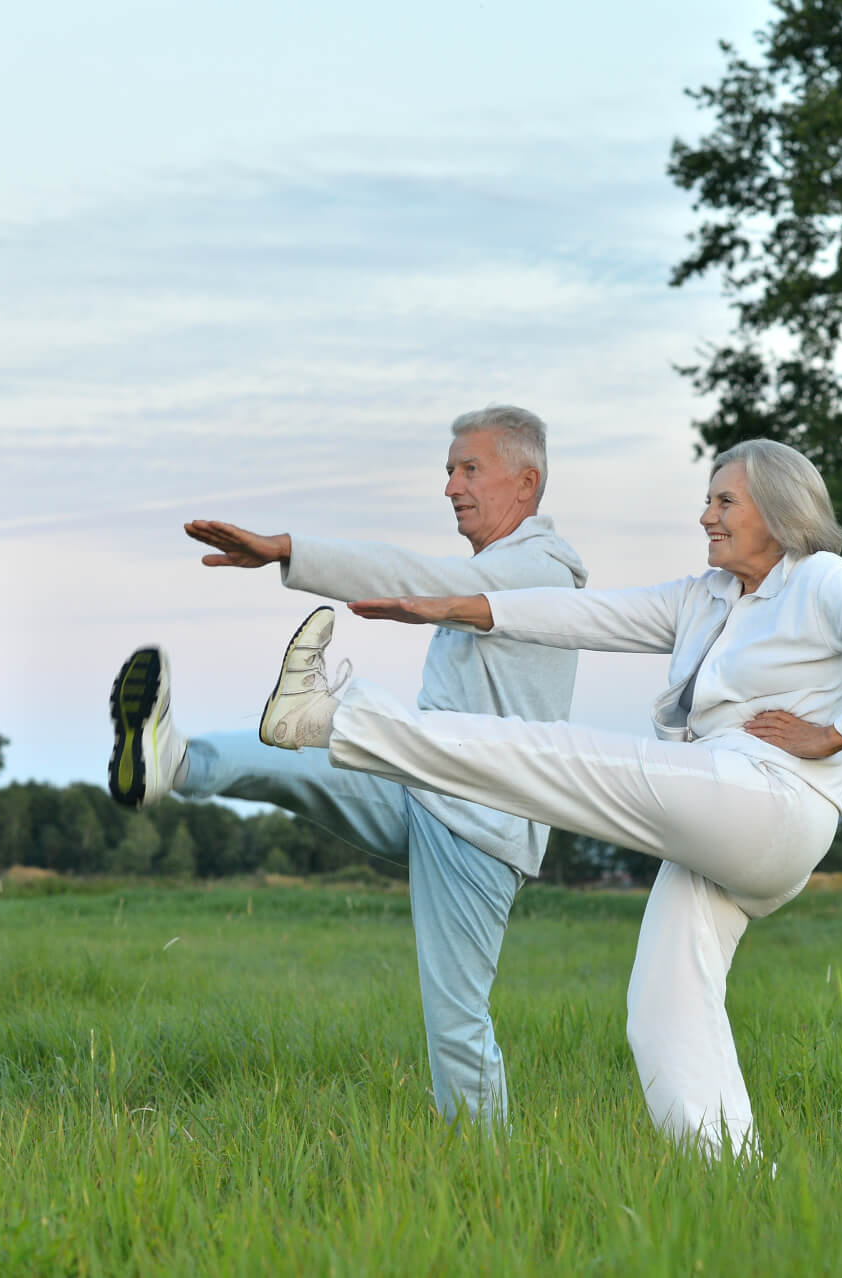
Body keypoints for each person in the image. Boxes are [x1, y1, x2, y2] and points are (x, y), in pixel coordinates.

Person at [252, 438, 842, 1159]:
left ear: (778, 511)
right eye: (708, 499)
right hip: (724, 818)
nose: (705, 515)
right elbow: (584, 616)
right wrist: (453, 607)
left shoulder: (821, 581)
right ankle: (735, 1181)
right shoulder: (704, 598)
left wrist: (838, 733)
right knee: (663, 1011)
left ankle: (330, 718)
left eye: (724, 501)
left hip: (769, 800)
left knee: (553, 756)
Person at [108, 404, 587, 1125]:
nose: (452, 486)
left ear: (526, 482)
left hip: (480, 827)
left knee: (456, 1019)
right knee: (299, 747)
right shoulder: (496, 567)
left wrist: (289, 552)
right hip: (420, 781)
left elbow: (416, 574)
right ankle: (172, 760)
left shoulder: (537, 571)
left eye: (469, 469)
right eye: (449, 471)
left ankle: (490, 1171)